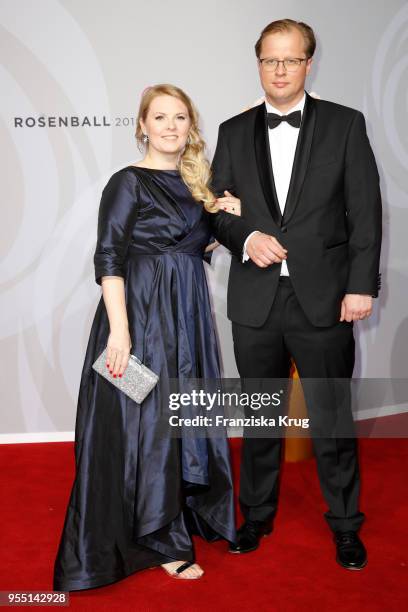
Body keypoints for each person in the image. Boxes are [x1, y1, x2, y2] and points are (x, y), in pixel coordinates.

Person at [53, 84, 241, 590]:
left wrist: (227, 222)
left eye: (180, 117)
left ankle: (174, 519)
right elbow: (109, 258)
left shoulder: (198, 185)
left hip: (188, 320)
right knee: (144, 425)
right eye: (160, 117)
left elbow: (193, 250)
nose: (171, 126)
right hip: (137, 319)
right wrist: (120, 332)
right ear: (142, 125)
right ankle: (159, 541)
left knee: (178, 419)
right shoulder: (127, 182)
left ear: (190, 127)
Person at [209, 19, 382, 570]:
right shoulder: (233, 130)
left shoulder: (345, 124)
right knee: (261, 416)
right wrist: (248, 236)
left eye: (290, 59)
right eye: (269, 60)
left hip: (327, 299)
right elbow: (216, 209)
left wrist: (360, 286)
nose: (278, 70)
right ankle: (256, 515)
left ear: (309, 63)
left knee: (332, 419)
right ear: (258, 63)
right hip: (256, 300)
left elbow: (365, 212)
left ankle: (346, 525)